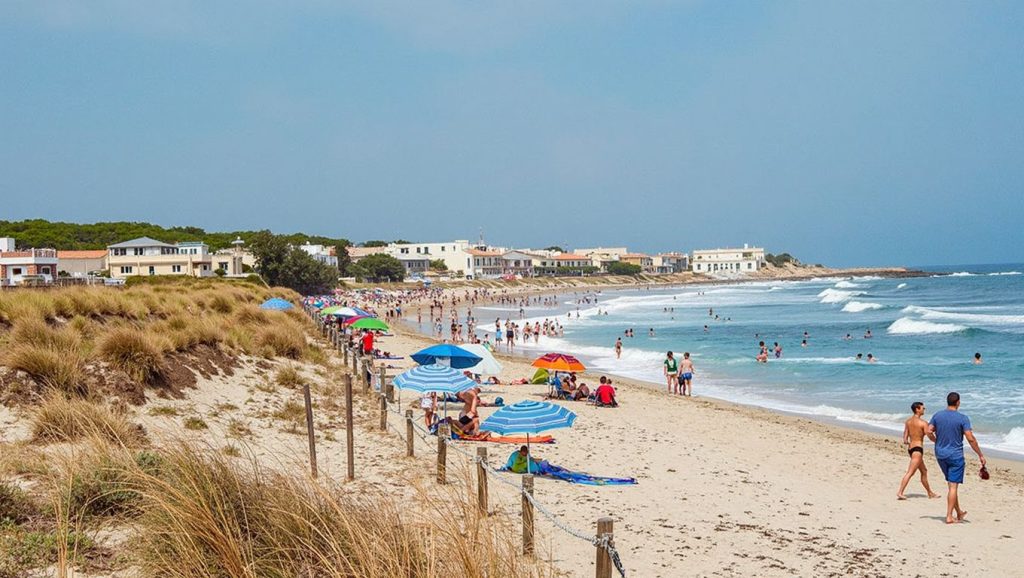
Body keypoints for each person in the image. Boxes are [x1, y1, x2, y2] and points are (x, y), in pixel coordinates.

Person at [928, 392, 986, 524]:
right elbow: (970, 438)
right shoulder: (962, 418)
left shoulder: (938, 415)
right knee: (953, 486)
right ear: (958, 402)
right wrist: (980, 454)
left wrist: (935, 441)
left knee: (951, 484)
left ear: (947, 401)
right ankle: (949, 516)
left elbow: (928, 430)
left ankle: (959, 512)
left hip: (940, 454)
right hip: (955, 455)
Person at [897, 401, 940, 500]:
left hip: (911, 448)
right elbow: (929, 435)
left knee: (924, 471)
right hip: (917, 449)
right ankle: (900, 492)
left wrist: (906, 440)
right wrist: (937, 441)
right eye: (923, 408)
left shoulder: (908, 421)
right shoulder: (923, 423)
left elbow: (905, 435)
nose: (924, 409)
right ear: (917, 409)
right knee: (910, 472)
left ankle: (930, 493)